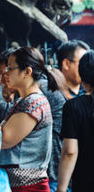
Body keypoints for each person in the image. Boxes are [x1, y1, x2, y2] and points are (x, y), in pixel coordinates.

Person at [0, 47, 56, 191]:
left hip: (29, 186)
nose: (6, 74)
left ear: (27, 72)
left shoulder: (34, 103)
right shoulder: (24, 101)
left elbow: (4, 140)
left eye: (10, 68)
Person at [57, 50, 94, 192]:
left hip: (85, 184)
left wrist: (61, 189)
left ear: (83, 80)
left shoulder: (74, 107)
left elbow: (70, 152)